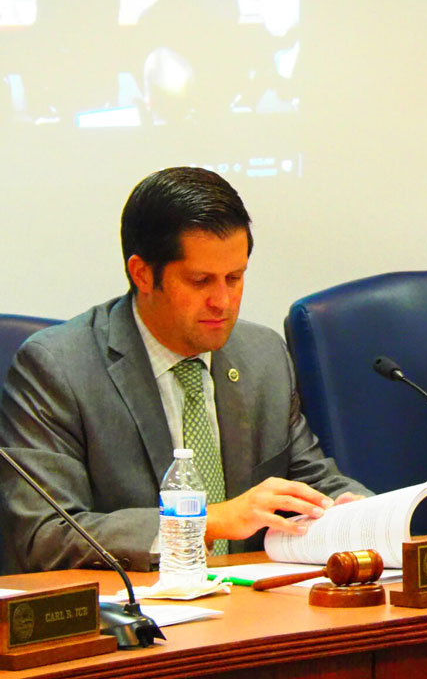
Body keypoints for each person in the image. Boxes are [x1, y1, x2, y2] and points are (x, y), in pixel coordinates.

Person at [0, 168, 370, 572]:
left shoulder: (263, 356)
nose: (223, 301)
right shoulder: (59, 368)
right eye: (200, 281)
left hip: (255, 611)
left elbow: (312, 482)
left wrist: (358, 512)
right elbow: (44, 535)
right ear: (142, 273)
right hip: (142, 616)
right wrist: (208, 521)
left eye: (235, 277)